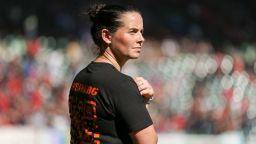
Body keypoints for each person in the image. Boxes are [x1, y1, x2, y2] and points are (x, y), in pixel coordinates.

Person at [69, 4, 158, 144]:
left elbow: (107, 128)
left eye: (141, 31)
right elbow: (148, 141)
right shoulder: (121, 84)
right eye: (133, 31)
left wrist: (142, 102)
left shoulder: (80, 78)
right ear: (107, 36)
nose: (141, 38)